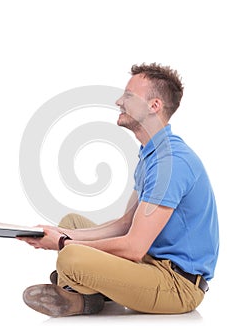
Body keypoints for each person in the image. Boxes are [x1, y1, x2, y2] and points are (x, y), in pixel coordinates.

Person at [19, 63, 219, 317]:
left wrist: (62, 243)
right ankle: (90, 291)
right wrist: (63, 232)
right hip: (148, 264)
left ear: (154, 106)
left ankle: (86, 294)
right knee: (72, 222)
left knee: (71, 258)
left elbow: (134, 247)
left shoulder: (173, 162)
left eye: (128, 96)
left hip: (177, 286)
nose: (119, 101)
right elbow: (127, 223)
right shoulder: (152, 156)